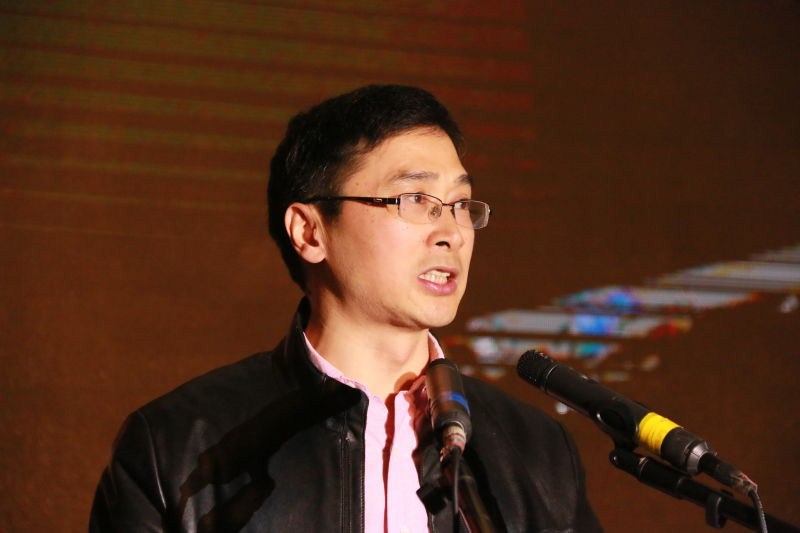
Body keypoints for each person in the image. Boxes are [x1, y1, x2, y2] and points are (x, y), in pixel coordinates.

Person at [90, 84, 602, 532]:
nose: (451, 232)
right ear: (310, 231)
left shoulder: (537, 451)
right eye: (414, 200)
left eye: (460, 204)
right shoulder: (176, 445)